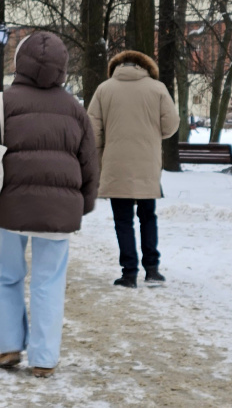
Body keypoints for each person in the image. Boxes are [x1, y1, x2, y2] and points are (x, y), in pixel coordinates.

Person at [0, 31, 99, 378]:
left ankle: (10, 346)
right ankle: (43, 358)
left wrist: (2, 164)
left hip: (11, 206)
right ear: (62, 67)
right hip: (58, 212)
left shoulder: (4, 101)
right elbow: (89, 162)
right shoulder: (74, 109)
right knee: (48, 282)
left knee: (9, 275)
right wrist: (83, 202)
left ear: (19, 62)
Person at [87, 51, 179, 289]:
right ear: (145, 67)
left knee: (123, 220)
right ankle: (152, 270)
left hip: (116, 162)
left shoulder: (103, 90)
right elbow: (170, 125)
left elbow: (92, 130)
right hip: (147, 163)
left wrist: (99, 159)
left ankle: (129, 273)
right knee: (148, 216)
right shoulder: (157, 89)